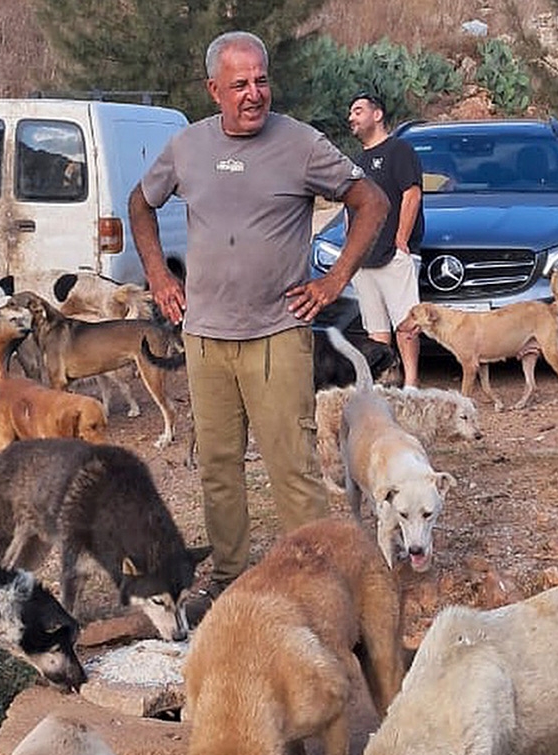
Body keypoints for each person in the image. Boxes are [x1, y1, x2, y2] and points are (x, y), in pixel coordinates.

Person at [129, 30, 388, 625]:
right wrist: (158, 276)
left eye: (262, 80)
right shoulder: (187, 147)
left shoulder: (301, 144)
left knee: (291, 466)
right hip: (205, 335)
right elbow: (140, 204)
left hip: (276, 333)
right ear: (213, 89)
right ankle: (228, 580)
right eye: (240, 84)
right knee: (218, 466)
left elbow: (369, 200)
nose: (254, 94)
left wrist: (333, 280)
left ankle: (317, 586)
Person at [346, 91, 425, 387]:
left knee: (406, 325)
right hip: (364, 258)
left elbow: (412, 193)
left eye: (357, 111)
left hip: (393, 255)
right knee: (376, 329)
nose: (351, 118)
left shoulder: (399, 150)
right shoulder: (357, 161)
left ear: (377, 114)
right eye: (351, 113)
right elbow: (350, 206)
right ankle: (382, 382)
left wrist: (401, 239)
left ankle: (412, 383)